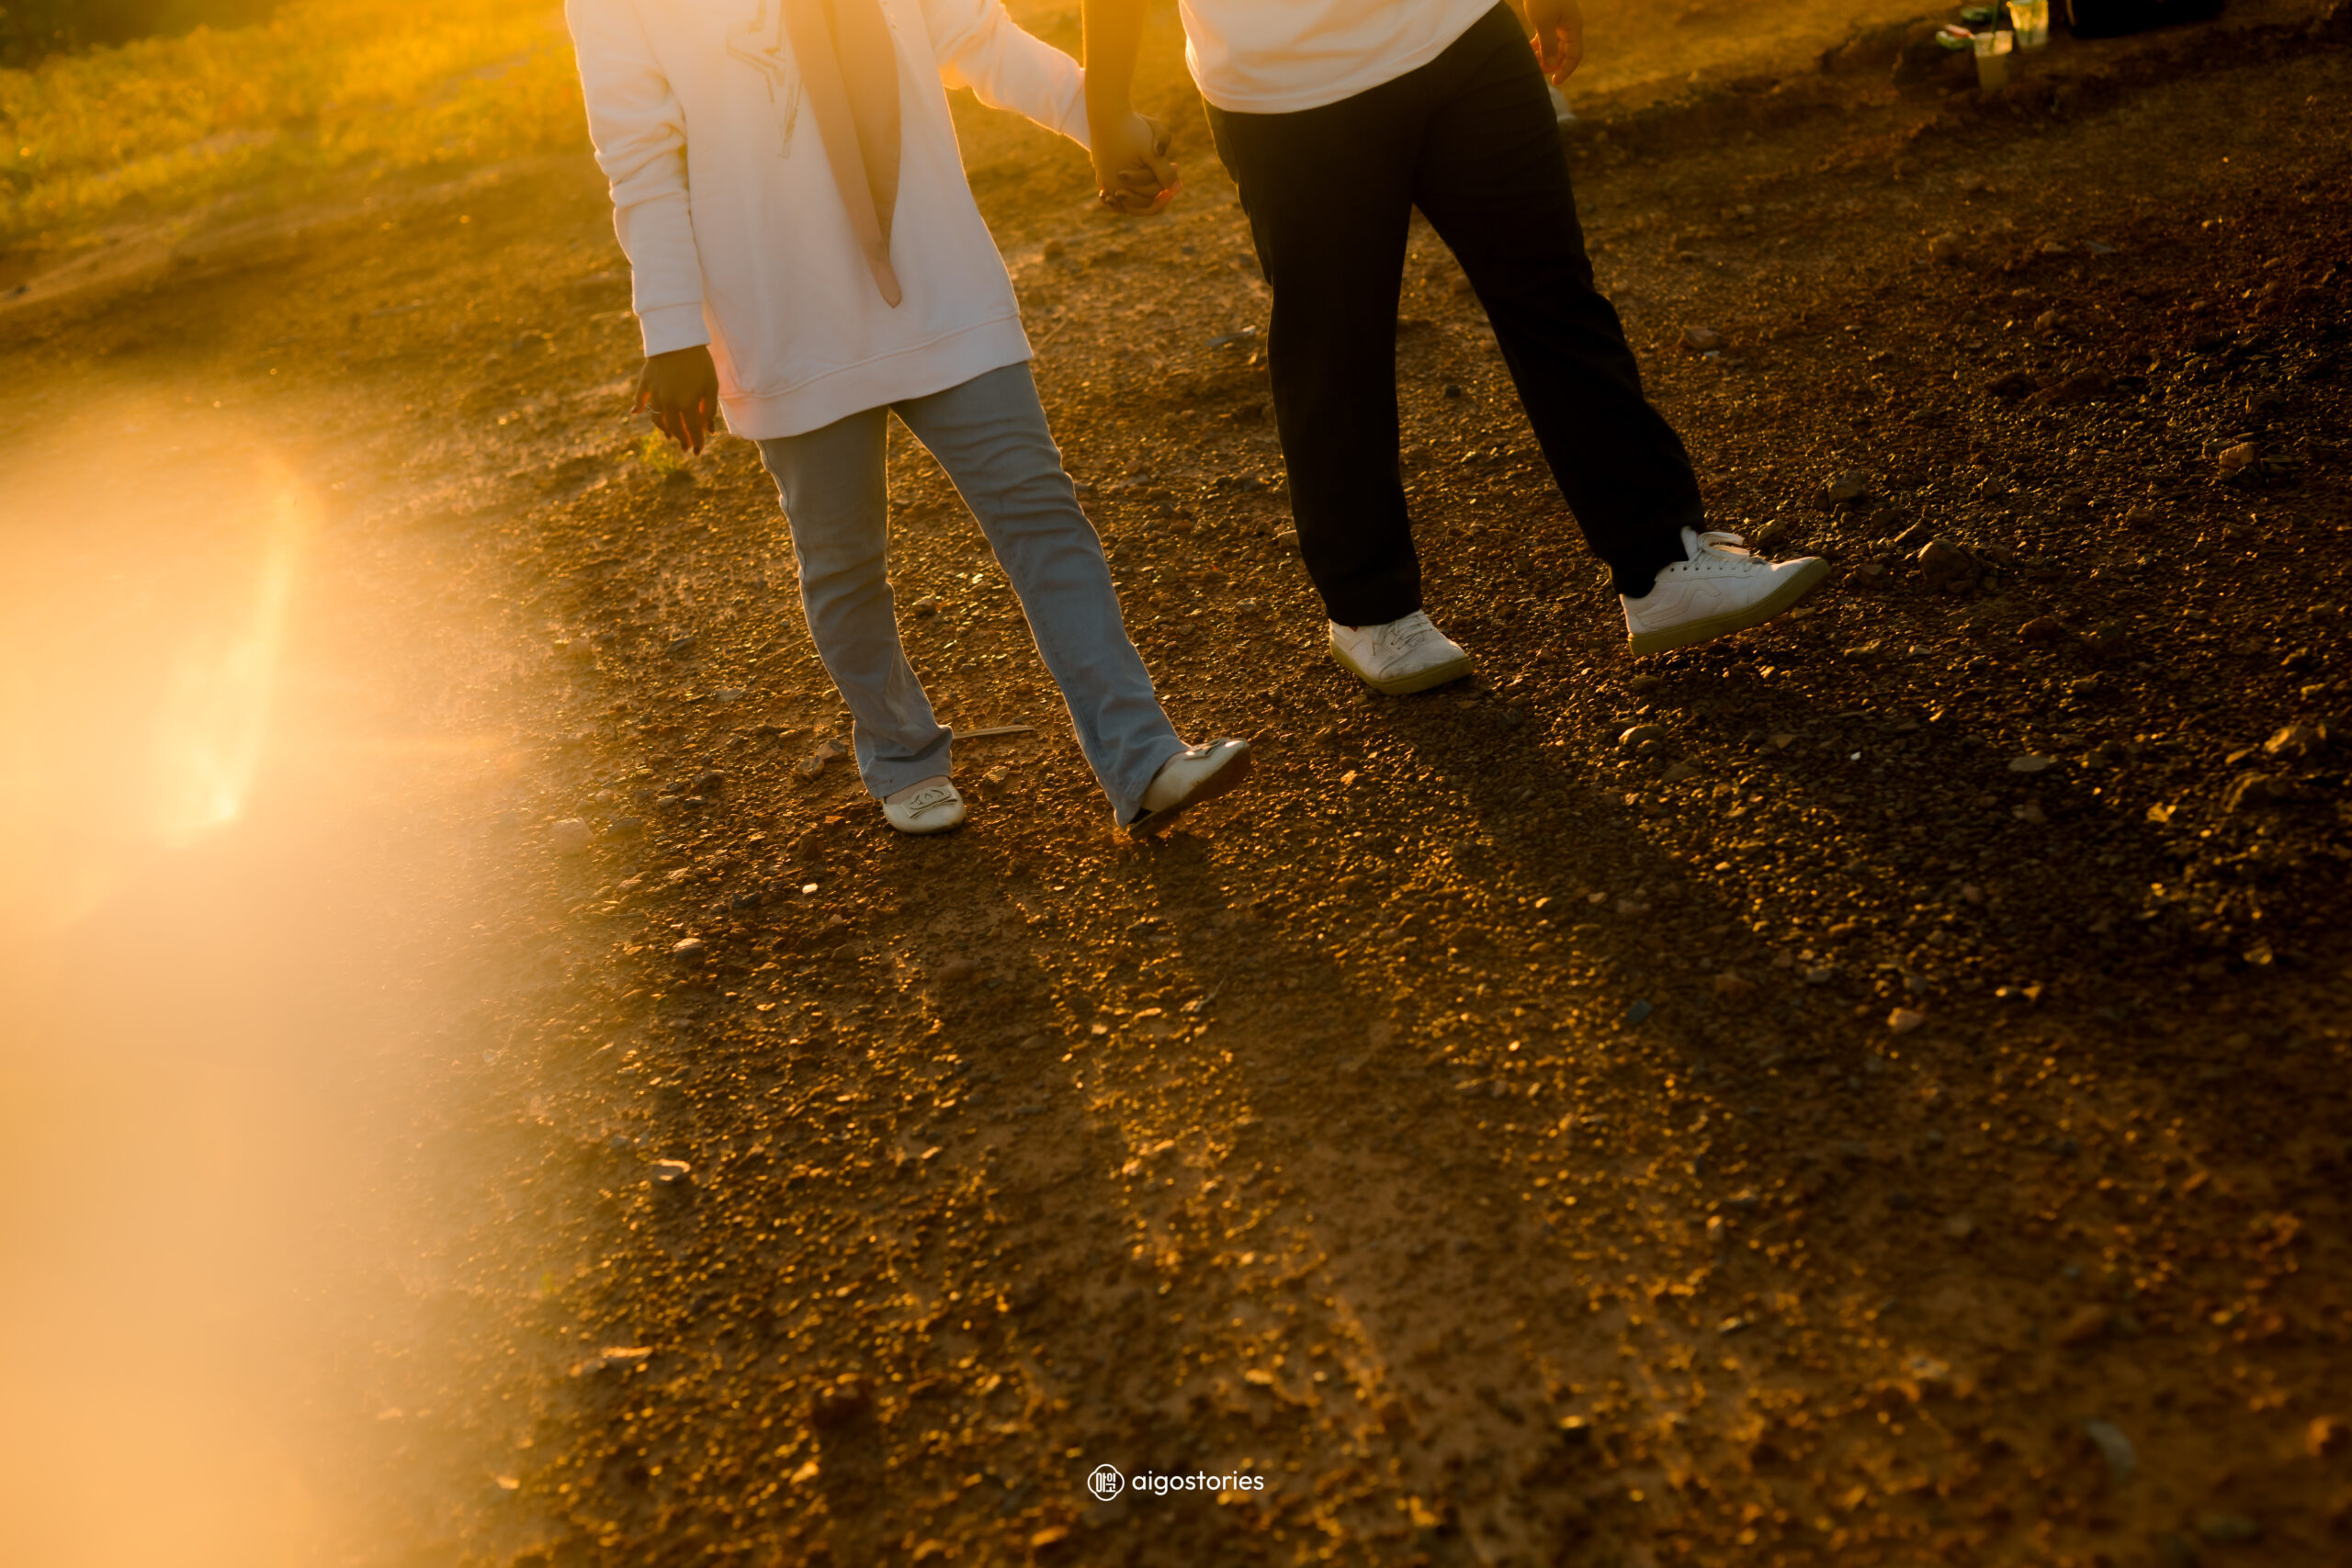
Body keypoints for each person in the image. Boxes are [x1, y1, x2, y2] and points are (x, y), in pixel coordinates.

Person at [564, 0, 1250, 834]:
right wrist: (671, 328)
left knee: (1040, 510)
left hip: (939, 275)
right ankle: (902, 756)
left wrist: (1096, 121)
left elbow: (976, 38)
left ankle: (1142, 757)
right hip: (785, 312)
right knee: (843, 560)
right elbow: (639, 154)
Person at [1079, 0, 1827, 694]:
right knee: (1336, 350)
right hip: (1289, 89)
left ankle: (1661, 563)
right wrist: (1104, 109)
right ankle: (1372, 612)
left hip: (1463, 30)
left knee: (1556, 299)